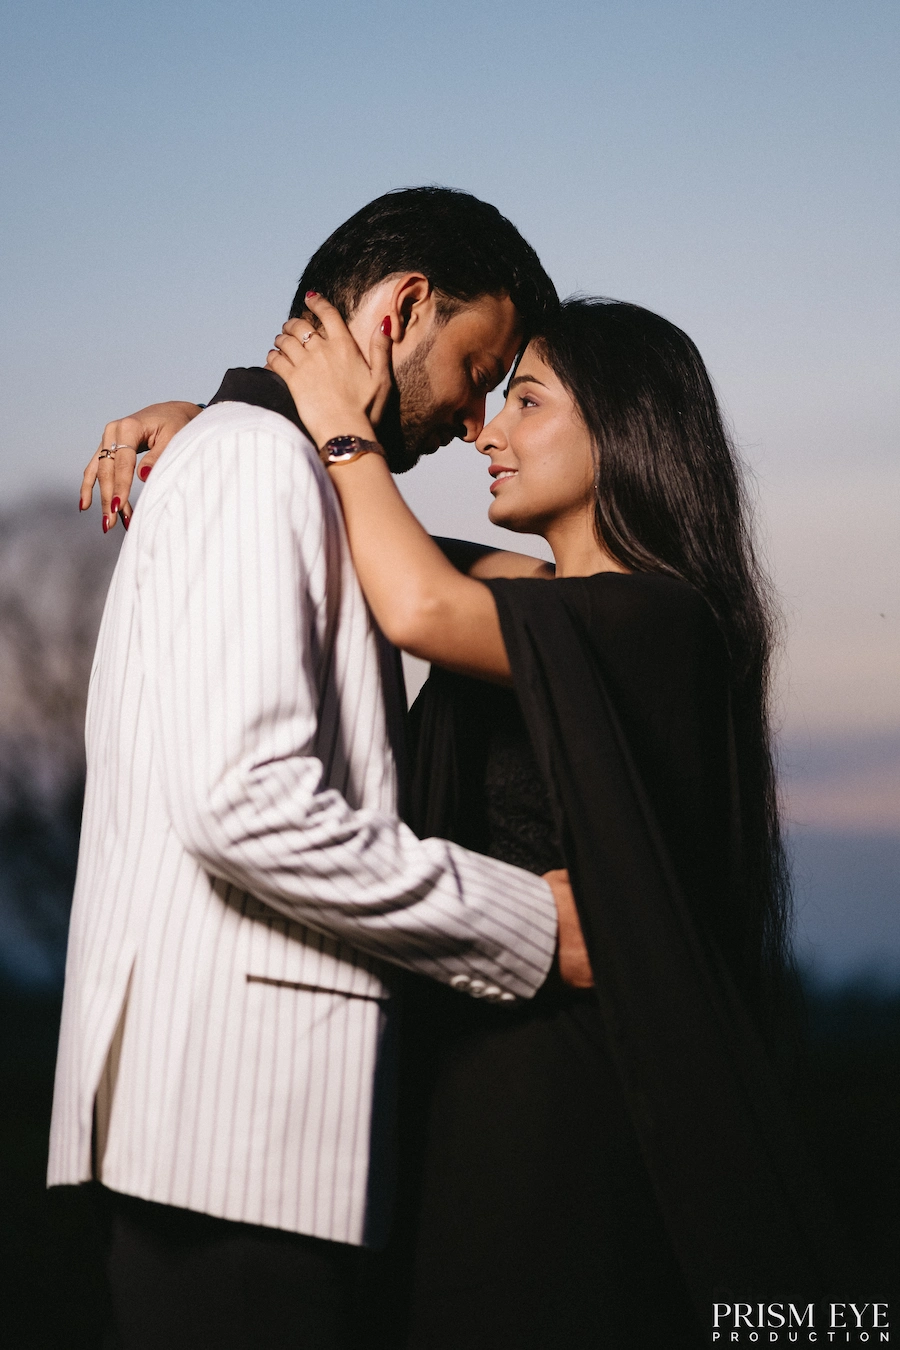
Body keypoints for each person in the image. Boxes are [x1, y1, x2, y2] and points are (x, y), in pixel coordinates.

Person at [51, 187, 594, 1350]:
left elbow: (439, 577)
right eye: (477, 366)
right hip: (237, 1148)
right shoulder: (256, 470)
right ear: (403, 310)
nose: (472, 415)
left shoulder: (255, 460)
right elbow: (244, 806)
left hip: (223, 1147)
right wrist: (531, 925)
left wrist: (234, 418)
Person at [261, 291, 842, 1348]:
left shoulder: (665, 621)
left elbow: (418, 605)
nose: (485, 431)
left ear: (623, 430)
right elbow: (377, 549)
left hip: (566, 1105)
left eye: (525, 400)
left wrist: (342, 429)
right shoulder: (547, 601)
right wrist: (232, 435)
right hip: (468, 1079)